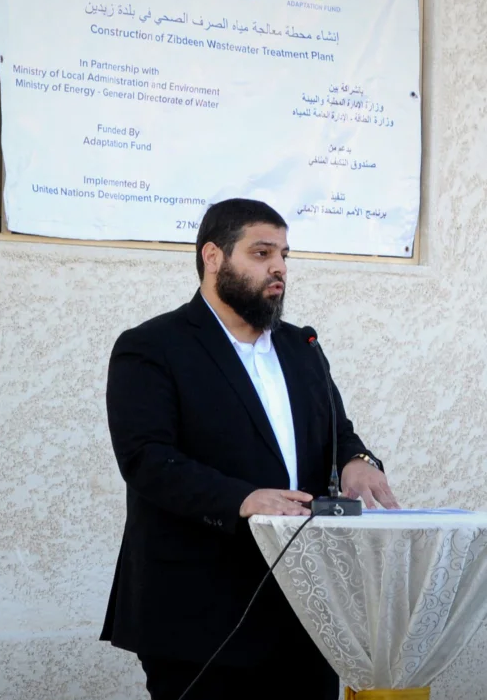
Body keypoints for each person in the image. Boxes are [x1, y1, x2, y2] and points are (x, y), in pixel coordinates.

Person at [100, 198, 399, 700]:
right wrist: (243, 499)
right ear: (213, 256)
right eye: (261, 253)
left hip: (306, 609)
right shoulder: (152, 346)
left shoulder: (301, 346)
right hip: (199, 614)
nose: (278, 266)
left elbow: (338, 431)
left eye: (284, 254)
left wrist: (357, 461)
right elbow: (146, 459)